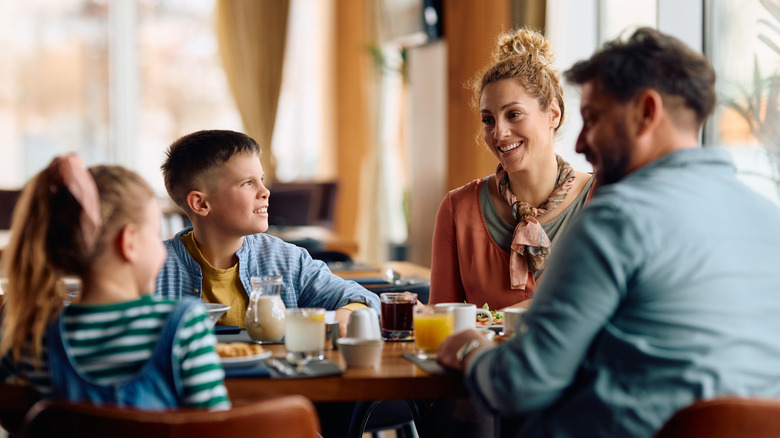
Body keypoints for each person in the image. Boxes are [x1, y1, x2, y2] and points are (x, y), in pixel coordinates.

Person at [437, 27, 780, 437]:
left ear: (647, 112)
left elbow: (520, 385)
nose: (581, 143)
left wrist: (472, 351)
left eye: (595, 119)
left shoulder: (614, 218)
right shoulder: (767, 216)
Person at [0, 154, 229, 410]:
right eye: (155, 235)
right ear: (129, 242)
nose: (163, 250)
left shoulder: (34, 337)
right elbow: (213, 427)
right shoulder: (186, 325)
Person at [155, 129, 380, 337]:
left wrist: (348, 313)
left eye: (261, 180)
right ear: (201, 203)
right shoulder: (155, 269)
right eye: (247, 183)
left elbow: (364, 299)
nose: (265, 192)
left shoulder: (286, 260)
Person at [429, 28, 593, 310]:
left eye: (513, 114)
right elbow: (441, 322)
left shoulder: (602, 198)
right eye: (488, 119)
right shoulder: (458, 209)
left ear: (553, 114)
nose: (499, 133)